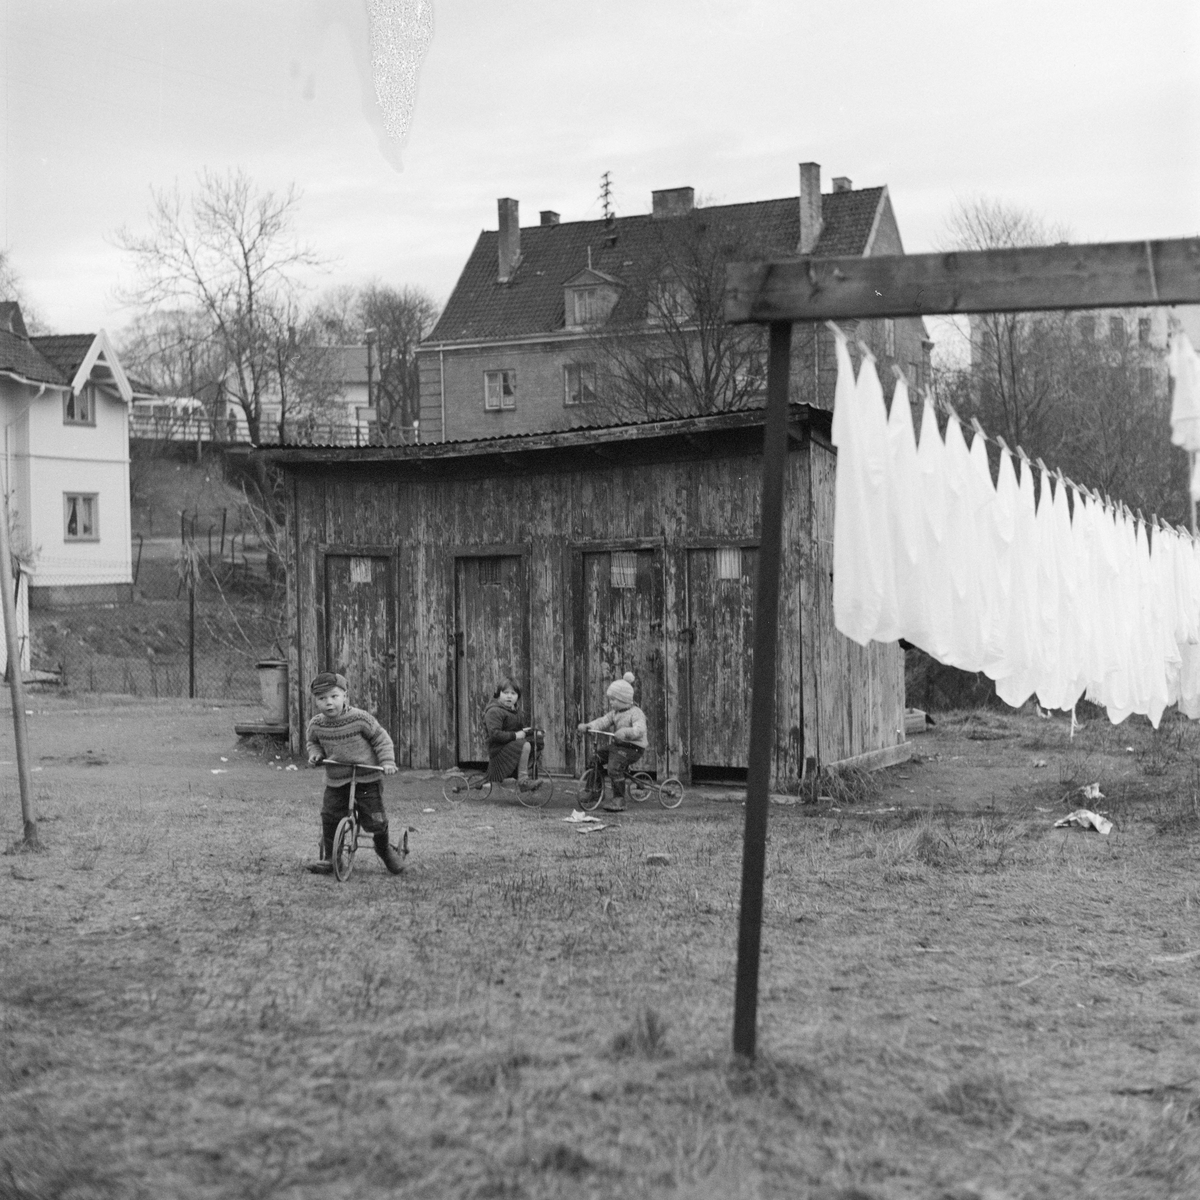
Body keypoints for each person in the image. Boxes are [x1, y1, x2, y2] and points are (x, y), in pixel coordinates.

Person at [304, 671, 403, 875]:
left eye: (334, 696)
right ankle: (332, 859)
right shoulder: (317, 724)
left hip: (366, 777)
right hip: (337, 780)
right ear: (316, 701)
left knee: (376, 820)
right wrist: (315, 755)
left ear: (345, 696)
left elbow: (380, 739)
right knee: (329, 816)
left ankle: (384, 850)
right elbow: (313, 743)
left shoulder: (360, 719)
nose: (329, 703)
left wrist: (387, 762)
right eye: (322, 698)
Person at [577, 672, 648, 812]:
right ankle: (594, 791)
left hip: (633, 748)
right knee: (595, 758)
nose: (611, 703)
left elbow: (640, 730)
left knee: (614, 767)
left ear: (624, 699)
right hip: (618, 746)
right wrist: (589, 726)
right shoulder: (615, 713)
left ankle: (619, 799)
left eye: (613, 699)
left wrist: (625, 732)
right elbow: (603, 721)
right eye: (610, 699)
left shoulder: (636, 713)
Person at [483, 678, 544, 793]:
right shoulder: (494, 711)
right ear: (498, 694)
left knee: (537, 740)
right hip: (498, 749)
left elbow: (520, 730)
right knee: (524, 745)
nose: (509, 696)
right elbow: (495, 734)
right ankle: (522, 781)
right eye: (505, 693)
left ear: (518, 696)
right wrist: (516, 736)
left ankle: (522, 770)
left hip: (508, 744)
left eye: (513, 693)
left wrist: (534, 732)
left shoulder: (514, 711)